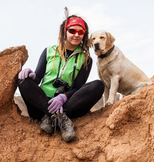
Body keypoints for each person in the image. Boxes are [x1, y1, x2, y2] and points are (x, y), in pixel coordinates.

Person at [18, 13, 104, 142]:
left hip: (68, 106)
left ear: (84, 35)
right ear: (65, 31)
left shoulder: (86, 59)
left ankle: (56, 117)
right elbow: (37, 79)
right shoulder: (49, 51)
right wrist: (31, 75)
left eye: (80, 32)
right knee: (22, 80)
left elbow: (77, 88)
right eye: (72, 30)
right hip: (41, 105)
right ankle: (53, 115)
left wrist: (63, 97)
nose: (76, 35)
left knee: (98, 85)